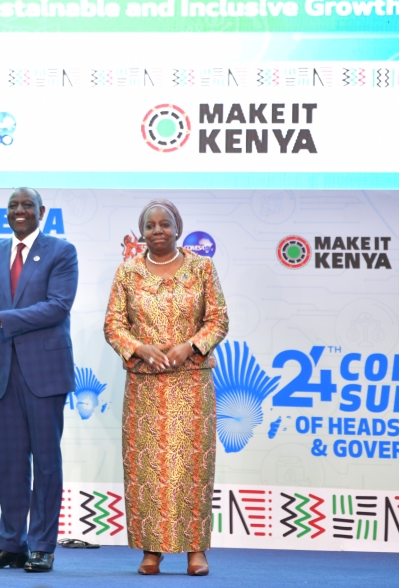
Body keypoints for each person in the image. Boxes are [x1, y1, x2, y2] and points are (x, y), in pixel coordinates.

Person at [0, 188, 78, 573]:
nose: (19, 211)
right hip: (4, 372)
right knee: (9, 464)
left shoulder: (61, 251)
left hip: (45, 373)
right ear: (6, 214)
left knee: (45, 462)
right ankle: (11, 544)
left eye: (27, 205)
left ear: (41, 211)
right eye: (12, 206)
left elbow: (57, 307)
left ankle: (41, 545)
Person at [103, 199, 229, 577]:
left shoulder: (202, 267)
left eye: (165, 224)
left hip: (191, 385)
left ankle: (196, 551)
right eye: (151, 225)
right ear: (142, 231)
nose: (158, 231)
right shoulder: (127, 272)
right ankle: (151, 550)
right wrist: (140, 348)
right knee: (147, 470)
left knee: (193, 468)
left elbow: (219, 319)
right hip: (144, 389)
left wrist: (188, 346)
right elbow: (113, 325)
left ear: (178, 227)